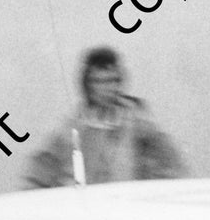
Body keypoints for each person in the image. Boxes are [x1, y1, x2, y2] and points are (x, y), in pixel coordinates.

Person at [26, 46, 185, 188]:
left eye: (111, 81)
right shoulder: (71, 129)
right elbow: (40, 171)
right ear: (87, 85)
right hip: (84, 207)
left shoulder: (139, 123)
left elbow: (170, 164)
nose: (106, 88)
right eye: (98, 81)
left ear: (119, 83)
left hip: (127, 204)